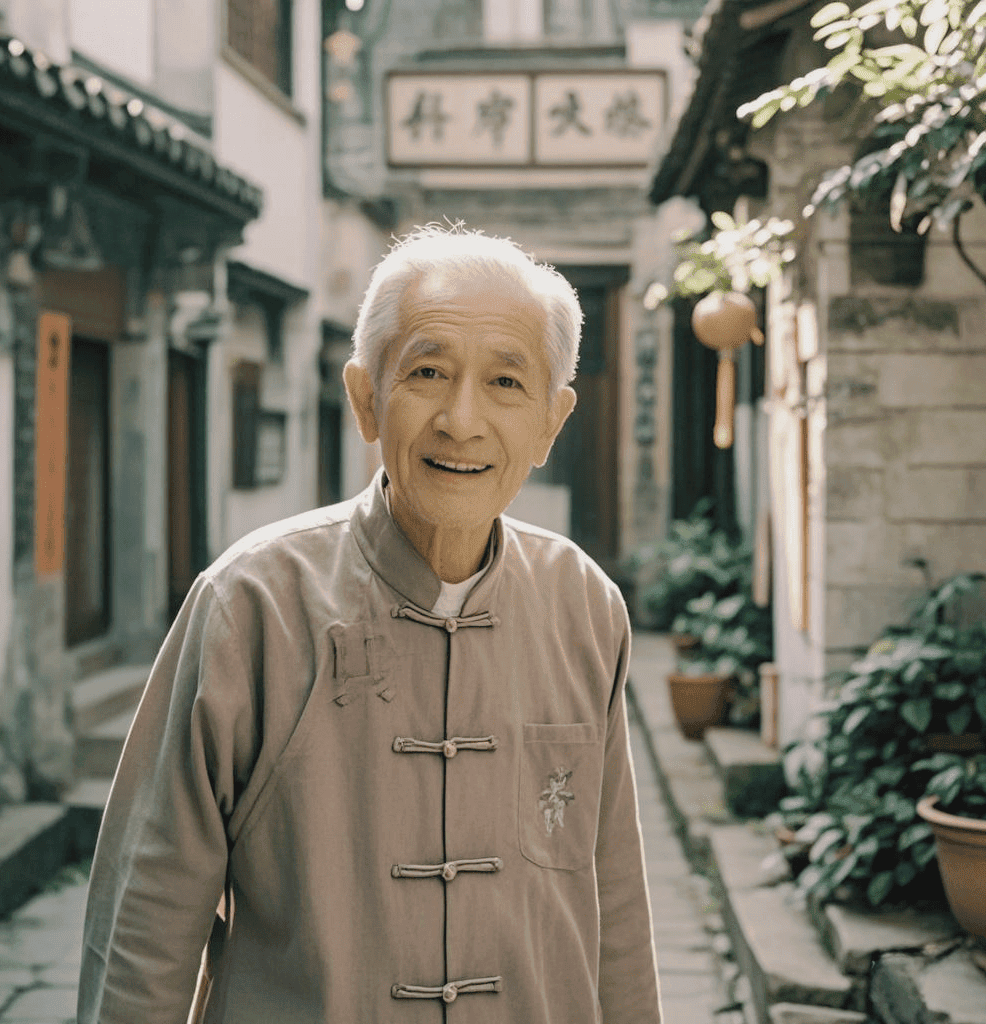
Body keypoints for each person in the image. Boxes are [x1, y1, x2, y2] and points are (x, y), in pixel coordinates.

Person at [78, 225, 663, 1024]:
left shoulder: (584, 605)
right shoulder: (252, 603)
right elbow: (146, 913)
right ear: (365, 398)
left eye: (504, 382)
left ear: (550, 425)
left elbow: (616, 899)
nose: (462, 420)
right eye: (427, 372)